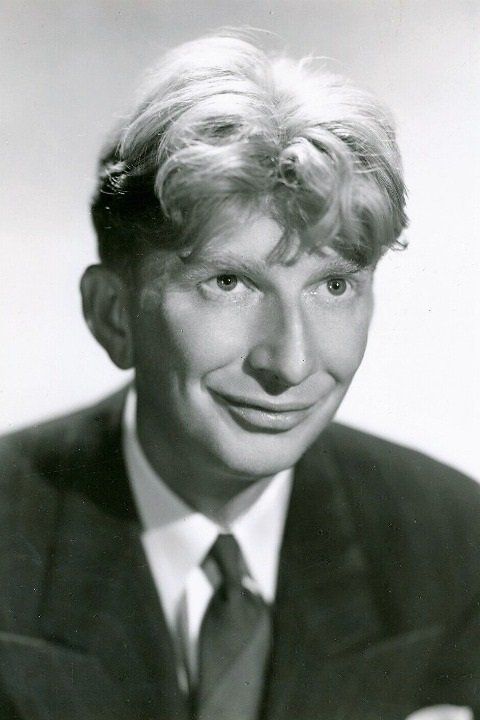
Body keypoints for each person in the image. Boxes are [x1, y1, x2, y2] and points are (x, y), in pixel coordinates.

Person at [0, 32, 479, 720]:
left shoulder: (455, 544)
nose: (290, 363)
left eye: (334, 285)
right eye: (229, 282)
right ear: (113, 315)